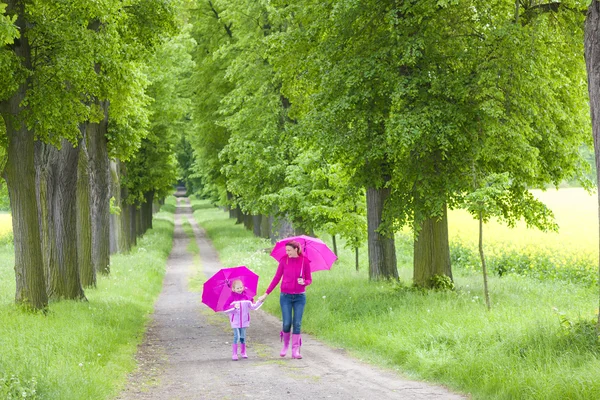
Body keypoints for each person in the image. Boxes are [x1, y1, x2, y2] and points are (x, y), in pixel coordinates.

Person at [257, 240, 312, 359]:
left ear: (296, 249)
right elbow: (276, 278)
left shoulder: (305, 261)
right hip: (285, 296)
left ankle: (295, 350)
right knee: (287, 323)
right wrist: (266, 294)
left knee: (297, 323)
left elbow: (309, 279)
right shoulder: (284, 260)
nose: (287, 252)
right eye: (286, 250)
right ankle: (285, 346)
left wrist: (304, 282)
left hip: (300, 297)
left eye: (289, 250)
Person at [223, 279, 263, 361]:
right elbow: (225, 310)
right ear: (233, 289)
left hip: (244, 321)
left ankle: (243, 352)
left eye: (241, 287)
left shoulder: (247, 298)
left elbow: (253, 307)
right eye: (237, 288)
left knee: (243, 337)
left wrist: (259, 301)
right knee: (236, 336)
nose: (240, 289)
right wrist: (233, 307)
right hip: (235, 322)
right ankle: (234, 353)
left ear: (243, 287)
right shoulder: (231, 299)